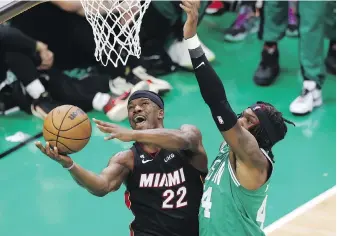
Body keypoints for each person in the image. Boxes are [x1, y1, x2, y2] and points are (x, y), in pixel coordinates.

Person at [180, 0, 295, 235]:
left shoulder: (254, 159)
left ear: (261, 134)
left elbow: (217, 101)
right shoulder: (231, 149)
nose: (240, 118)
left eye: (249, 120)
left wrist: (192, 40)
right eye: (244, 113)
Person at [35, 90, 208, 236]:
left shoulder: (187, 136)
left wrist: (133, 135)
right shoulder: (127, 159)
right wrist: (69, 165)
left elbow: (186, 140)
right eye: (131, 108)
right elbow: (101, 186)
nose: (136, 109)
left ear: (160, 112)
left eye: (144, 104)